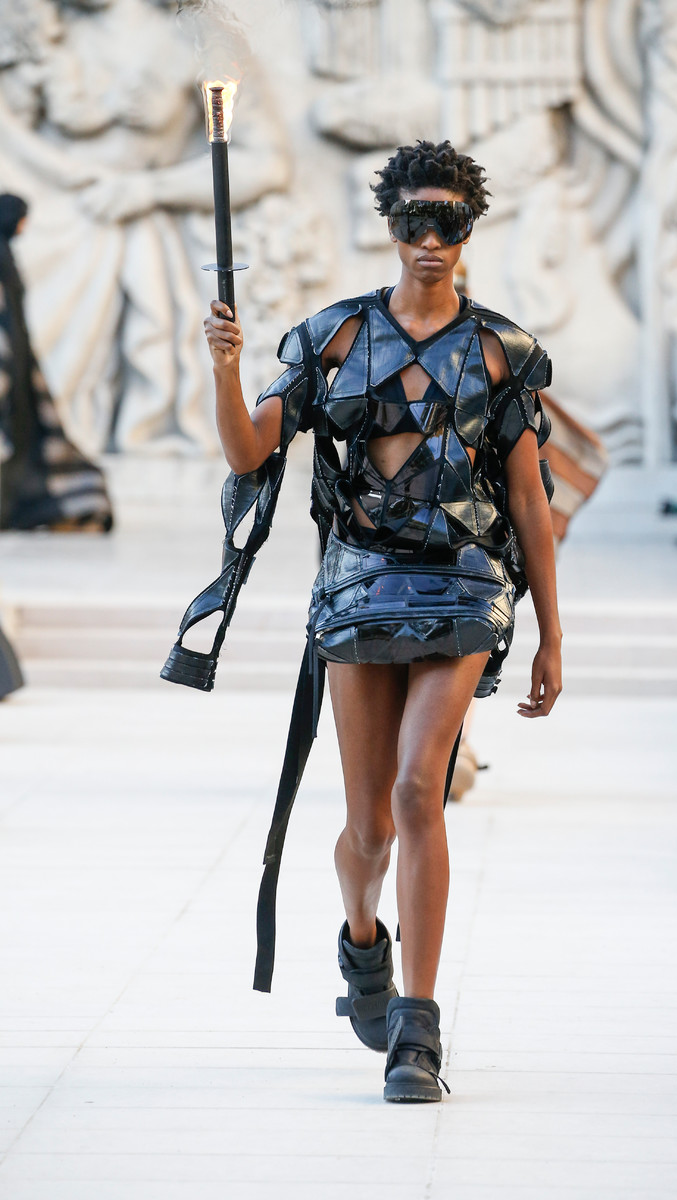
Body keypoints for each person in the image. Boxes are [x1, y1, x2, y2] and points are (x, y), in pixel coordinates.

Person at [198, 140, 562, 1102]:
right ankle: (364, 944)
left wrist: (553, 634)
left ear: (469, 231)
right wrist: (225, 369)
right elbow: (248, 452)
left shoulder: (503, 351)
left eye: (449, 222)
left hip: (465, 583)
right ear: (390, 227)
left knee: (415, 791)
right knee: (366, 826)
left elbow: (530, 502)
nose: (430, 239)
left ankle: (417, 1030)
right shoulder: (330, 338)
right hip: (358, 582)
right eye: (413, 221)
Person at [0, 194, 112, 531]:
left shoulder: (7, 256)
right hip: (8, 369)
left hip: (18, 371)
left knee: (26, 441)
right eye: (21, 217)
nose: (24, 226)